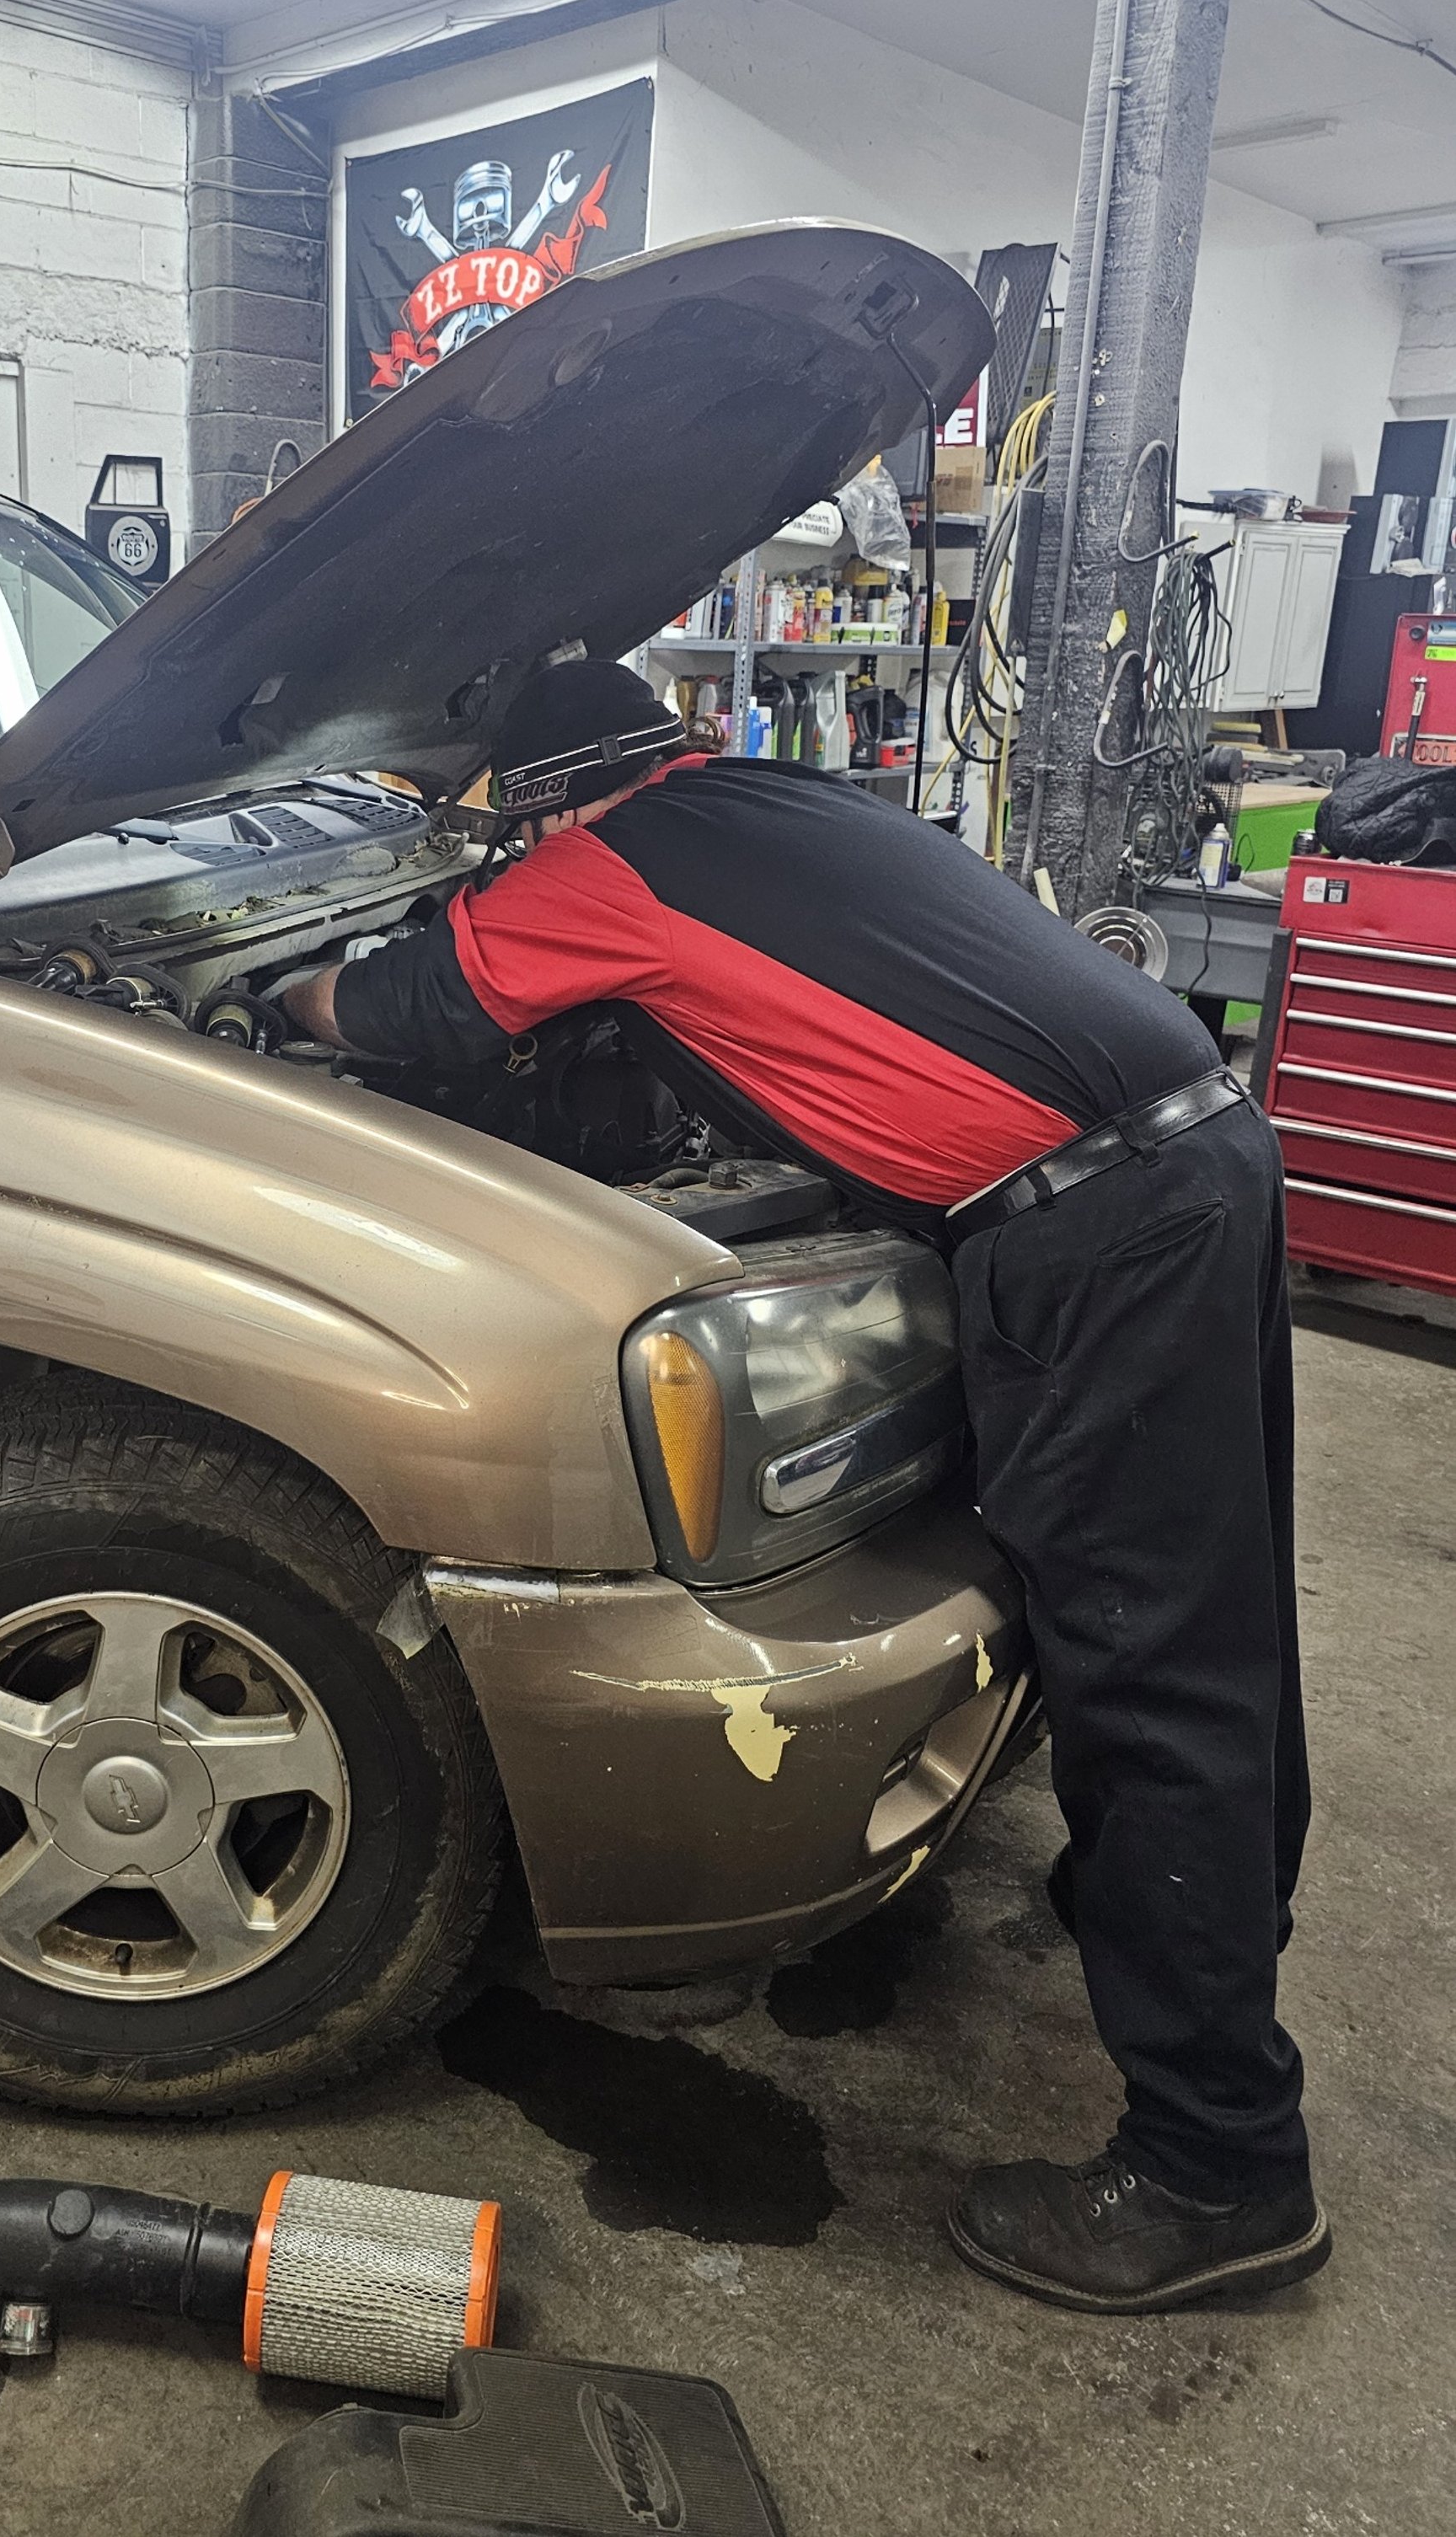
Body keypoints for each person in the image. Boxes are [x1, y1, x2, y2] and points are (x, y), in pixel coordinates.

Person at [279, 658, 1325, 2316]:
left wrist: (288, 1003)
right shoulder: (773, 804)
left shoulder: (599, 865)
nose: (490, 841)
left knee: (1144, 1655)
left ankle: (1217, 2163)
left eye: (486, 812)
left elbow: (410, 1011)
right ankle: (1183, 1894)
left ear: (539, 795)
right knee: (1203, 1599)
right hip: (1190, 1148)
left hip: (1092, 1232)